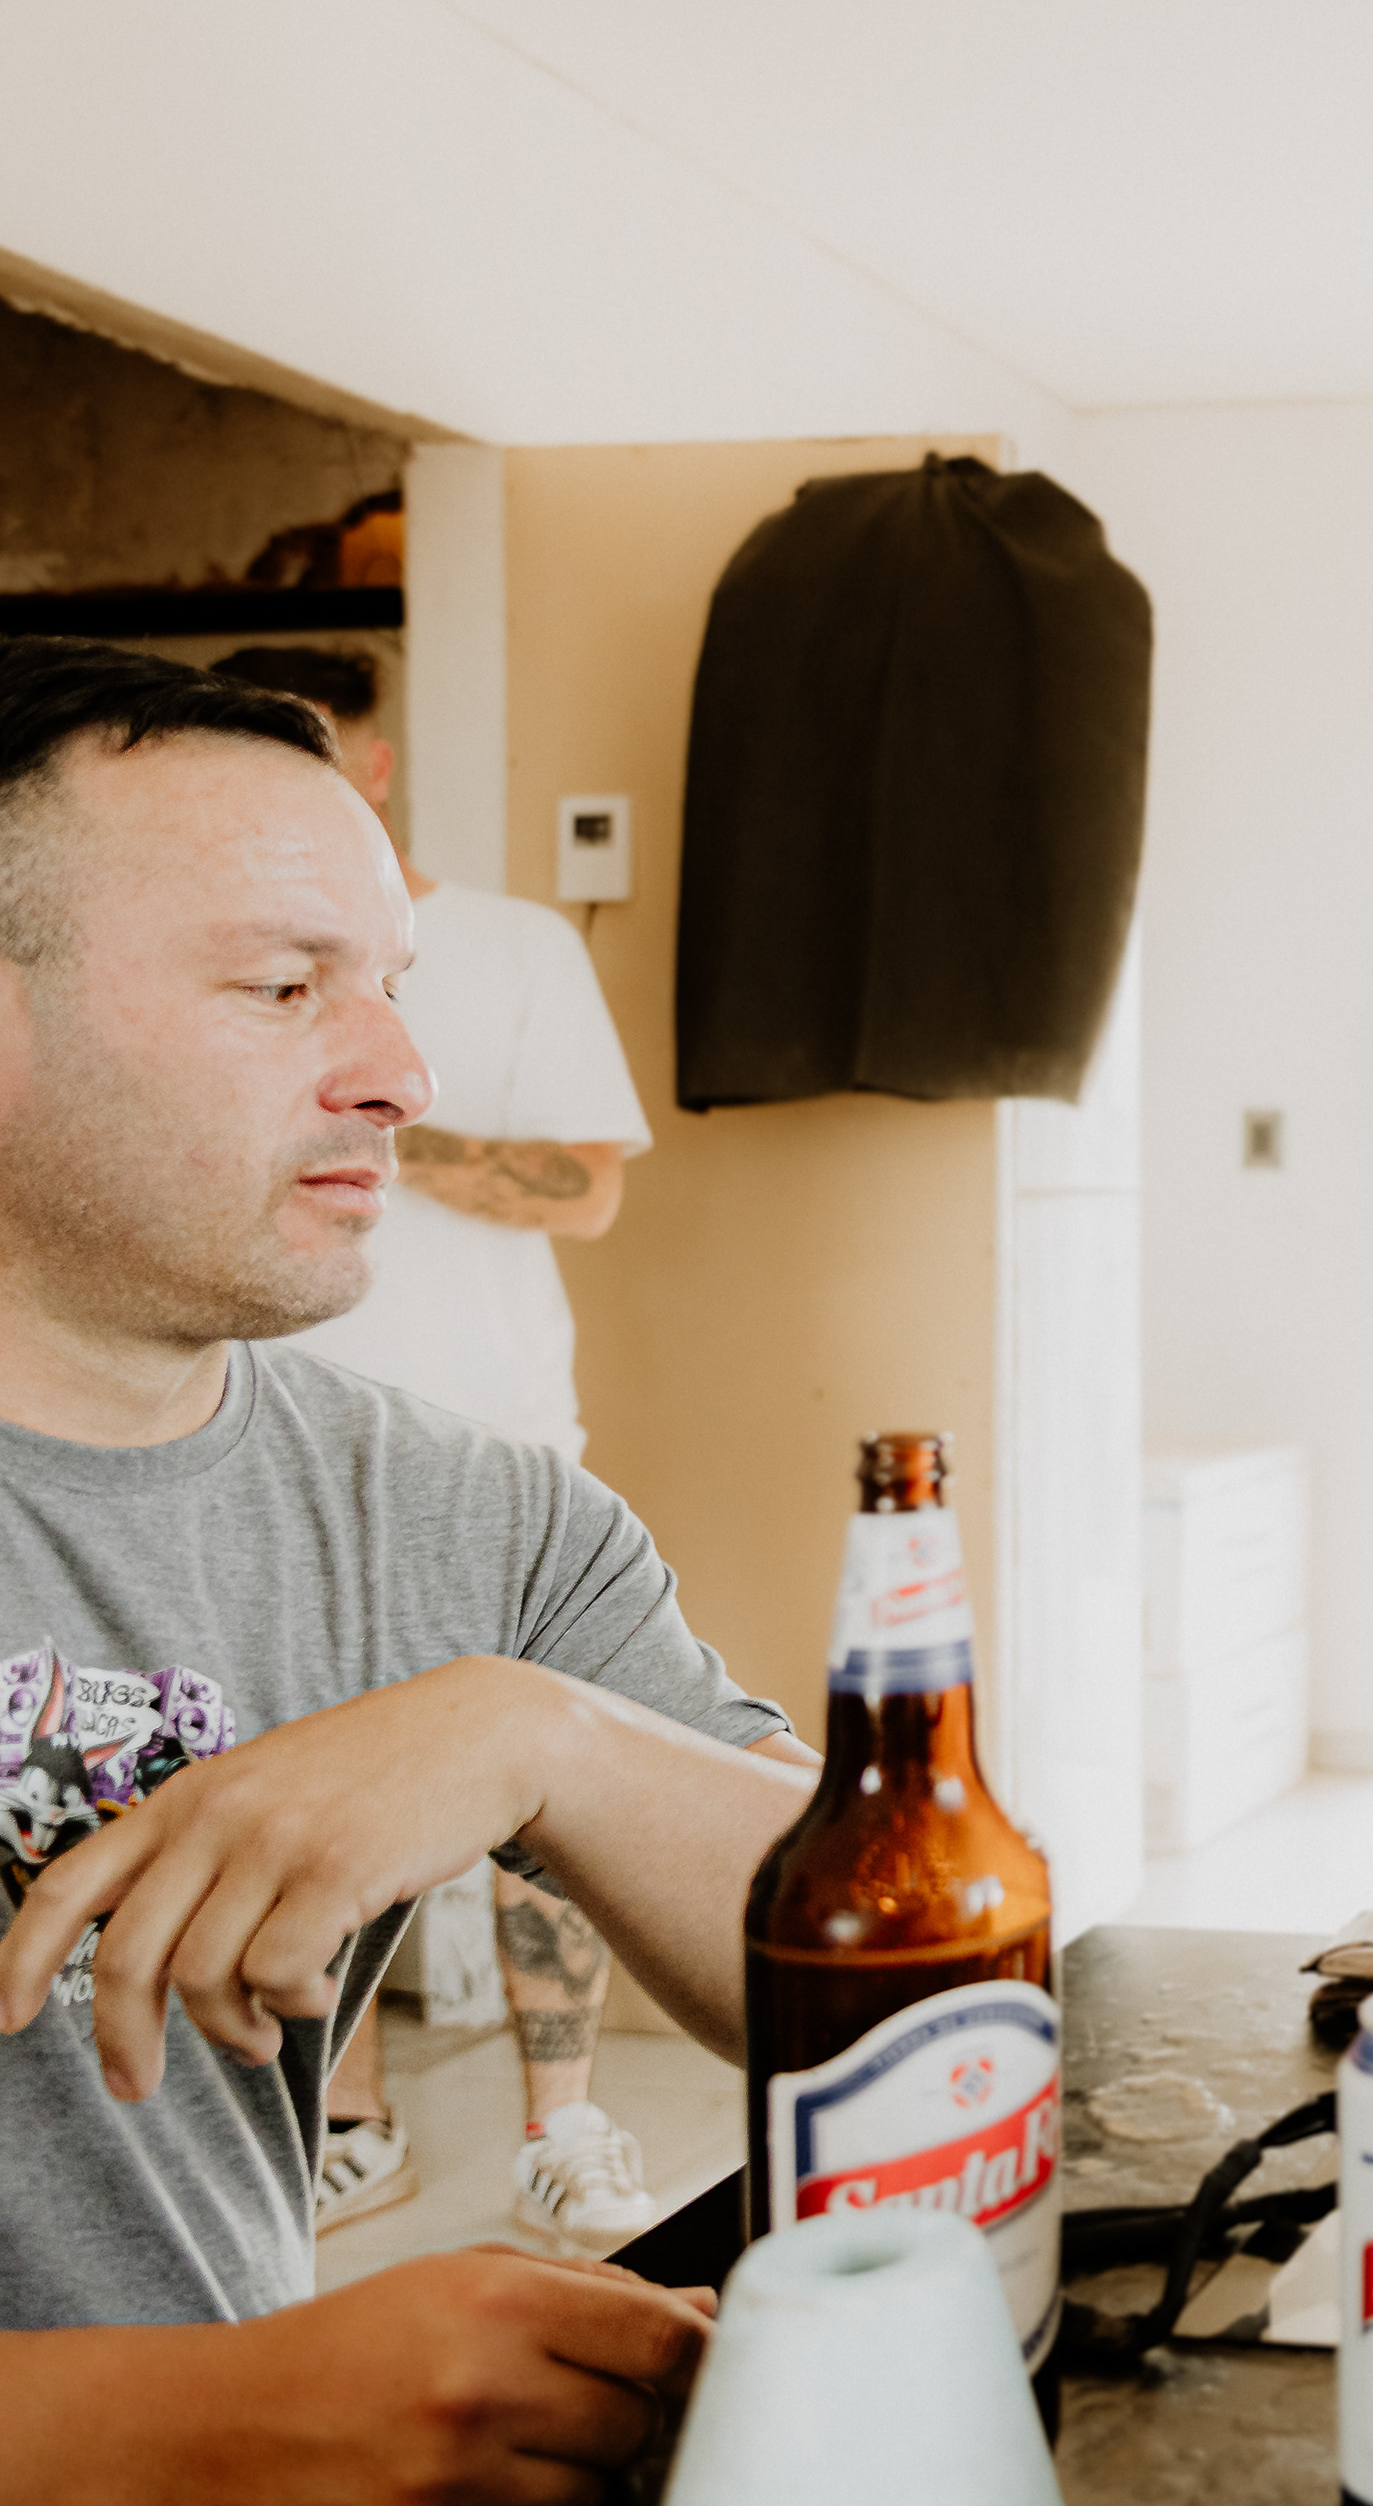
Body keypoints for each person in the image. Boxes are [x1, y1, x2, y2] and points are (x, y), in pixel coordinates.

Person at [0, 638, 817, 2499]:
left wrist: (549, 1741)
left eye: (392, 986)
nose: (402, 1075)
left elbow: (928, 2000)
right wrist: (210, 2419)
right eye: (285, 987)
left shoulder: (477, 1523)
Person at [210, 645, 662, 2250]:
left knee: (554, 1803)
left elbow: (590, 1187)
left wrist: (379, 1116)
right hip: (271, 1444)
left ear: (377, 762)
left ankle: (564, 2126)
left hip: (499, 1439)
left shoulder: (518, 946)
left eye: (306, 748)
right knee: (313, 1804)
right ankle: (350, 2123)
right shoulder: (218, 959)